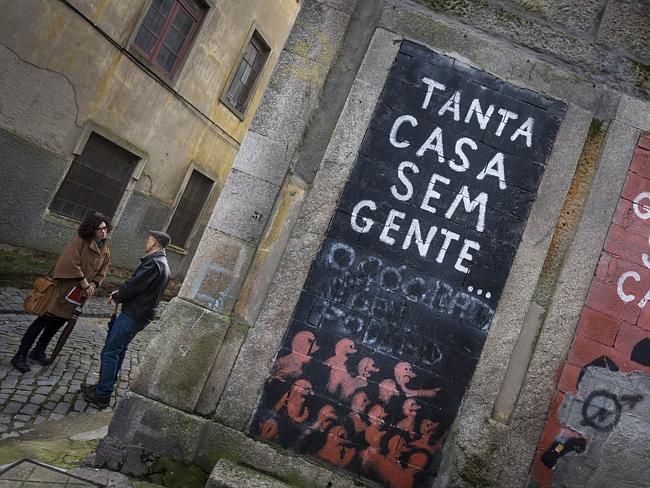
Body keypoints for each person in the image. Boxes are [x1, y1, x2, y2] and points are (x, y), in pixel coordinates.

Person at [11, 212, 111, 373]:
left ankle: (38, 351)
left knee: (59, 322)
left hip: (78, 295)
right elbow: (69, 262)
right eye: (99, 229)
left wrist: (93, 283)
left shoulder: (105, 248)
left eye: (105, 228)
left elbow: (103, 270)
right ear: (91, 229)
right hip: (63, 290)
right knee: (44, 320)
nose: (103, 232)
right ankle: (20, 355)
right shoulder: (80, 241)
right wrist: (83, 281)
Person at [82, 230, 170, 408]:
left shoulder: (153, 263)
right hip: (141, 315)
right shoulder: (163, 263)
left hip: (133, 314)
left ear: (153, 242)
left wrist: (117, 296)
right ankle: (102, 387)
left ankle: (102, 394)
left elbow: (134, 286)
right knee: (118, 350)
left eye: (148, 240)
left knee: (110, 351)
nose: (146, 242)